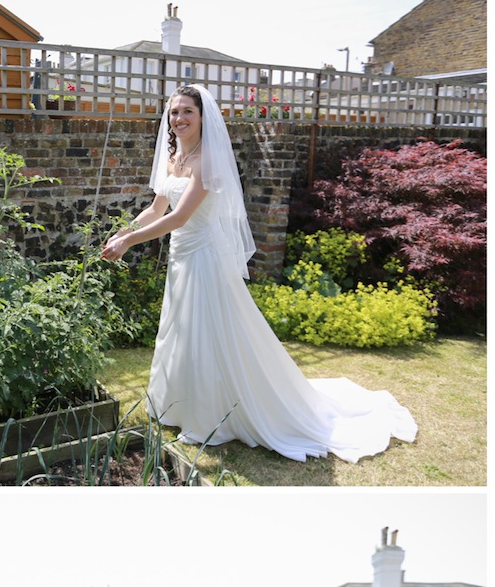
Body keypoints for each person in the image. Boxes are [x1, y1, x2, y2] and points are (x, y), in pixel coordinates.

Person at [100, 82, 418, 462]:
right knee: (181, 329)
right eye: (174, 111)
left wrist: (129, 244)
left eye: (187, 111)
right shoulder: (173, 159)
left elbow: (181, 217)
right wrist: (125, 229)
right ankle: (179, 405)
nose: (179, 118)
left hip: (205, 257)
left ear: (203, 118)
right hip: (181, 257)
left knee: (210, 331)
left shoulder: (208, 162)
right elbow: (156, 209)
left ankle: (210, 415)